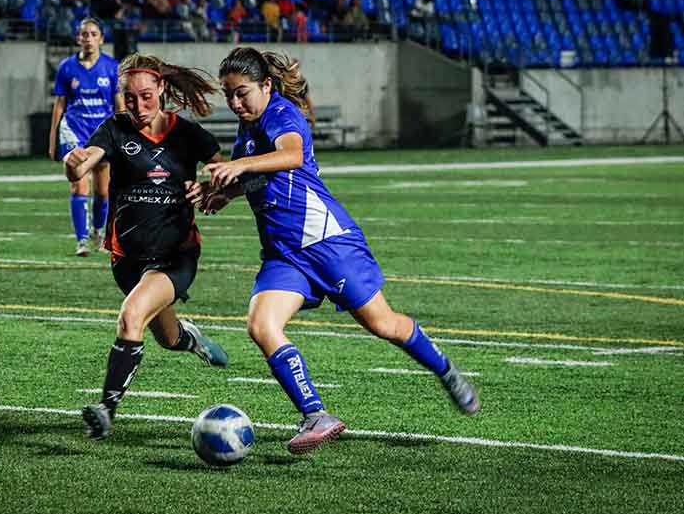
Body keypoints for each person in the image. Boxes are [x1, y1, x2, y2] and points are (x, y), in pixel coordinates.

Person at [193, 47, 480, 455]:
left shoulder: (281, 114)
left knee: (384, 325)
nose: (235, 103)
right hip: (285, 254)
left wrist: (240, 167)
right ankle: (315, 415)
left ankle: (445, 370)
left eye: (242, 93)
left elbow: (290, 155)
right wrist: (219, 194)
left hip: (328, 243)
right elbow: (259, 181)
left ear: (267, 86)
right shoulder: (249, 129)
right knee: (261, 325)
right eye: (229, 95)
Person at [64, 53, 230, 440]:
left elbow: (223, 172)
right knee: (167, 338)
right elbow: (86, 162)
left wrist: (207, 186)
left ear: (163, 91)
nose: (138, 106)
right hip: (127, 259)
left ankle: (106, 409)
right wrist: (74, 166)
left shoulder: (187, 134)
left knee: (131, 316)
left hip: (175, 256)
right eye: (129, 97)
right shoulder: (115, 129)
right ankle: (190, 338)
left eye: (146, 96)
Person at [48, 17, 124, 256]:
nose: (88, 38)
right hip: (74, 129)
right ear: (78, 38)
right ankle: (81, 240)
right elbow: (59, 105)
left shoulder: (113, 68)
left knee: (103, 191)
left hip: (102, 132)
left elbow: (119, 106)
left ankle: (99, 232)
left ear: (101, 39)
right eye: (84, 34)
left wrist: (123, 136)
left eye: (93, 34)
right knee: (78, 185)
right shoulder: (67, 67)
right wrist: (52, 139)